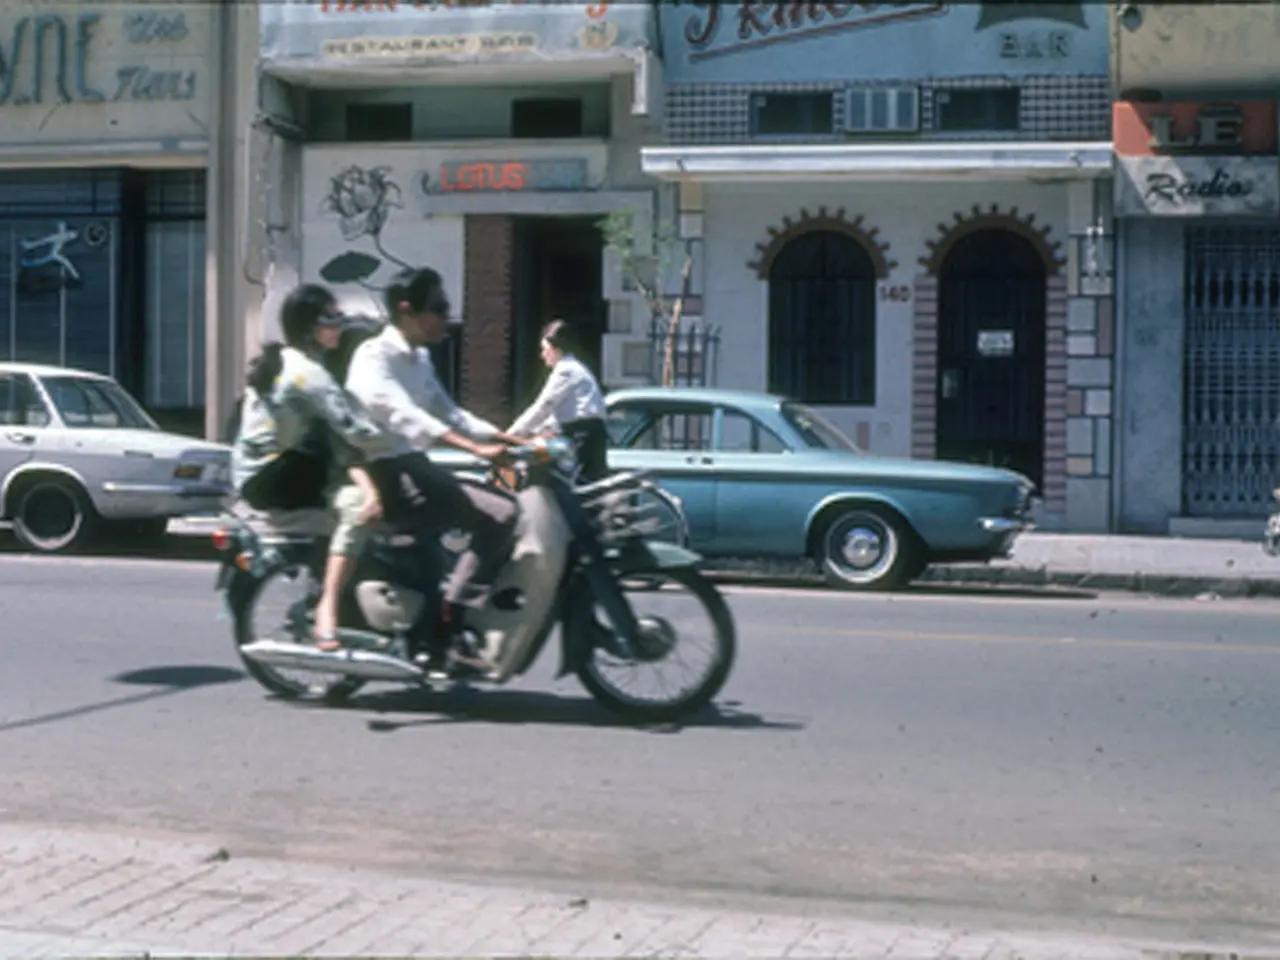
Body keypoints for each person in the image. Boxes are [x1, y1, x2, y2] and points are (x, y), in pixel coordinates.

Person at [345, 266, 520, 664]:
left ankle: (441, 612)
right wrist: (473, 450)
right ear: (407, 310)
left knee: (500, 504)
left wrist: (509, 438)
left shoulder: (420, 359)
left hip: (411, 464)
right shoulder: (374, 357)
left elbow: (451, 412)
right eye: (439, 308)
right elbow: (404, 415)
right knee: (502, 514)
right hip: (385, 471)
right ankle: (452, 613)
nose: (446, 317)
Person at [230, 284, 397, 645]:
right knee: (358, 508)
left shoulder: (299, 362)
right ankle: (329, 607)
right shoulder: (307, 374)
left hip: (267, 472)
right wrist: (413, 440)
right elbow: (357, 429)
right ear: (309, 327)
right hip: (274, 476)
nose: (340, 326)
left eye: (340, 318)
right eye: (331, 319)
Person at [506, 319, 608, 484]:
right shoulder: (574, 367)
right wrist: (538, 430)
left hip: (581, 437)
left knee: (572, 486)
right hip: (587, 435)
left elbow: (543, 407)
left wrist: (510, 435)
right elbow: (556, 415)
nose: (542, 355)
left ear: (555, 349)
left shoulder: (565, 370)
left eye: (544, 349)